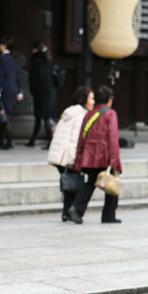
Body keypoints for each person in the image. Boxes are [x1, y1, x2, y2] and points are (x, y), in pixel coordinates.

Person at [68, 85, 122, 224]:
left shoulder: (89, 113)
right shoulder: (110, 113)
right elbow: (113, 138)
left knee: (91, 182)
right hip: (104, 155)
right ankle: (108, 216)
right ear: (109, 100)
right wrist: (115, 159)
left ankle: (76, 208)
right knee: (111, 182)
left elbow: (81, 137)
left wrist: (79, 158)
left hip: (89, 155)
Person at [47, 86, 95, 221]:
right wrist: (74, 160)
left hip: (58, 155)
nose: (93, 102)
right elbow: (75, 140)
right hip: (68, 156)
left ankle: (66, 213)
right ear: (83, 100)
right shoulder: (81, 116)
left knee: (69, 185)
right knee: (74, 185)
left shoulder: (68, 112)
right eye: (91, 98)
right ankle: (73, 210)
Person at [0, 36, 23, 149]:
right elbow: (18, 76)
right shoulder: (13, 58)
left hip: (5, 90)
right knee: (5, 116)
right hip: (13, 89)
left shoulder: (2, 58)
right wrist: (19, 91)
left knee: (5, 117)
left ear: (4, 45)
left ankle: (9, 141)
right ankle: (2, 140)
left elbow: (0, 75)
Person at [26, 42, 55, 148]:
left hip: (40, 93)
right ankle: (33, 139)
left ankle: (50, 140)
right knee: (43, 117)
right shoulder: (49, 62)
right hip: (50, 92)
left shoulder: (36, 63)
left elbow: (33, 80)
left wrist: (32, 91)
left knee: (43, 117)